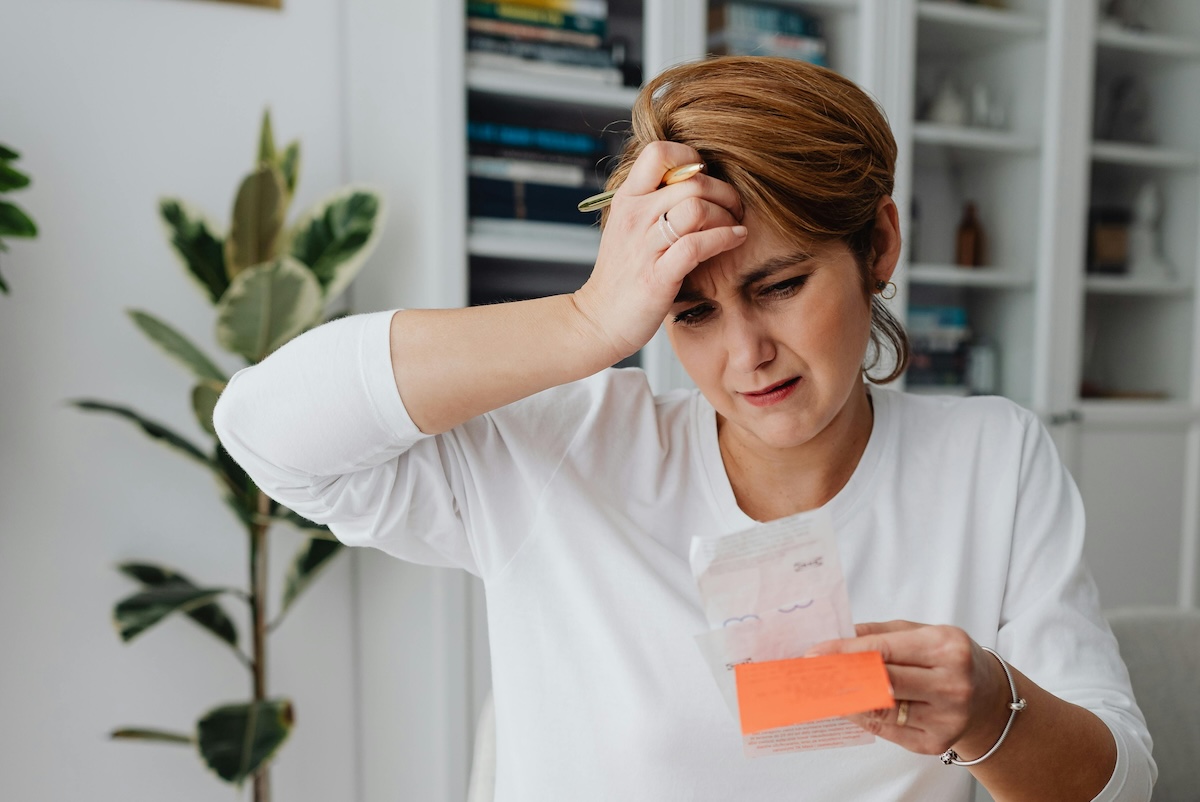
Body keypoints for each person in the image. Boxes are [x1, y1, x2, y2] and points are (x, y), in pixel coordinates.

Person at [214, 56, 1154, 800]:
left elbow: (1117, 787)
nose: (746, 354)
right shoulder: (566, 453)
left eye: (779, 286)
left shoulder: (992, 460)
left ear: (878, 245)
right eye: (690, 312)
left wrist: (994, 711)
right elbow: (264, 428)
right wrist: (589, 322)